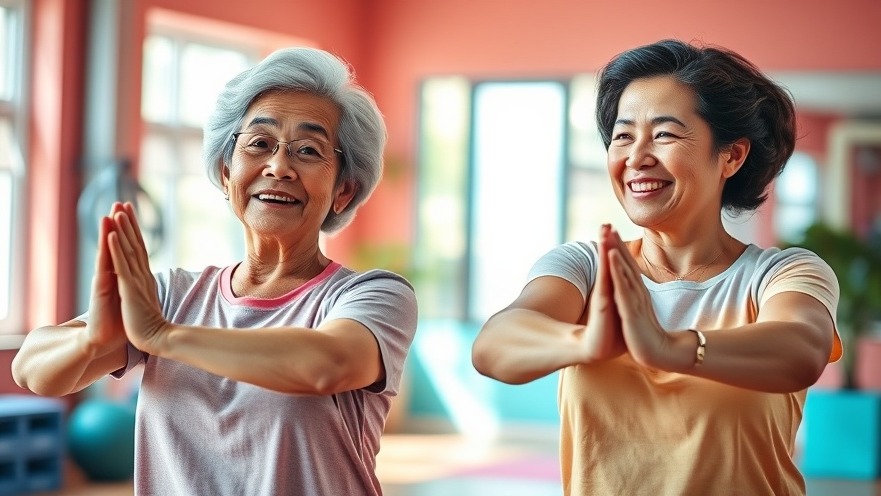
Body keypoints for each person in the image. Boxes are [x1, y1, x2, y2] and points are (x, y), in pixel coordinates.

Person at [12, 47, 418, 496]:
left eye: (308, 150)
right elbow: (34, 370)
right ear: (227, 173)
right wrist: (93, 340)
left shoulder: (372, 296)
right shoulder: (173, 297)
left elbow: (328, 363)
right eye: (259, 144)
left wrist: (165, 337)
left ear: (344, 189)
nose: (279, 167)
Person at [472, 39, 841, 495]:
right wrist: (589, 340)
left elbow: (800, 350)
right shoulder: (585, 267)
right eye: (624, 135)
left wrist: (667, 346)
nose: (637, 156)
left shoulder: (781, 274)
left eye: (664, 134)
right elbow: (494, 346)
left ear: (731, 156)